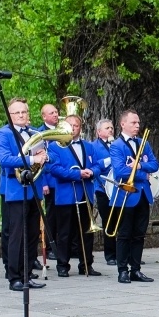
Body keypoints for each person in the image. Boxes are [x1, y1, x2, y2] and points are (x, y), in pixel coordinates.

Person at [0, 98, 48, 291]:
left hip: (34, 187)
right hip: (16, 189)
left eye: (23, 112)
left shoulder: (34, 133)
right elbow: (5, 159)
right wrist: (33, 158)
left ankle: (26, 275)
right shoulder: (3, 133)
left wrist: (44, 158)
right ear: (9, 116)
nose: (21, 115)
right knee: (16, 234)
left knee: (32, 234)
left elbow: (43, 154)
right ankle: (14, 276)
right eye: (16, 113)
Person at [47, 114, 101, 276]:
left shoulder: (89, 146)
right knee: (65, 232)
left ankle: (86, 264)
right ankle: (63, 265)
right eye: (69, 125)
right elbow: (54, 169)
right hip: (66, 195)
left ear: (80, 128)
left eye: (75, 125)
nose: (72, 128)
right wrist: (77, 175)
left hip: (85, 194)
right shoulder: (55, 146)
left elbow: (99, 165)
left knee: (87, 232)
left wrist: (92, 172)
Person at [109, 109, 159, 284]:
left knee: (139, 234)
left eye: (138, 123)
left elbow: (154, 165)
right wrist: (142, 175)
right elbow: (119, 171)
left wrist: (138, 166)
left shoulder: (143, 143)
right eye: (133, 123)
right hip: (125, 195)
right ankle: (122, 270)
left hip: (143, 195)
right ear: (123, 124)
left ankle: (136, 270)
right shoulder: (116, 145)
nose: (137, 125)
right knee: (124, 234)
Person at [92, 119, 117, 265]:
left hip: (118, 188)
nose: (110, 130)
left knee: (122, 221)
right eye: (107, 128)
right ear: (99, 132)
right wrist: (110, 160)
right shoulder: (93, 146)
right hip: (102, 188)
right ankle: (110, 255)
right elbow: (94, 165)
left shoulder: (118, 145)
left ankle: (124, 253)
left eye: (112, 127)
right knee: (108, 221)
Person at [38, 104, 60, 260]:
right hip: (49, 180)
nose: (55, 115)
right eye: (51, 113)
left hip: (62, 178)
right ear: (44, 116)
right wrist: (44, 182)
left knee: (63, 214)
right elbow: (40, 161)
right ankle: (51, 246)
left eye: (56, 112)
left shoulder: (62, 130)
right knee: (51, 214)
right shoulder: (39, 133)